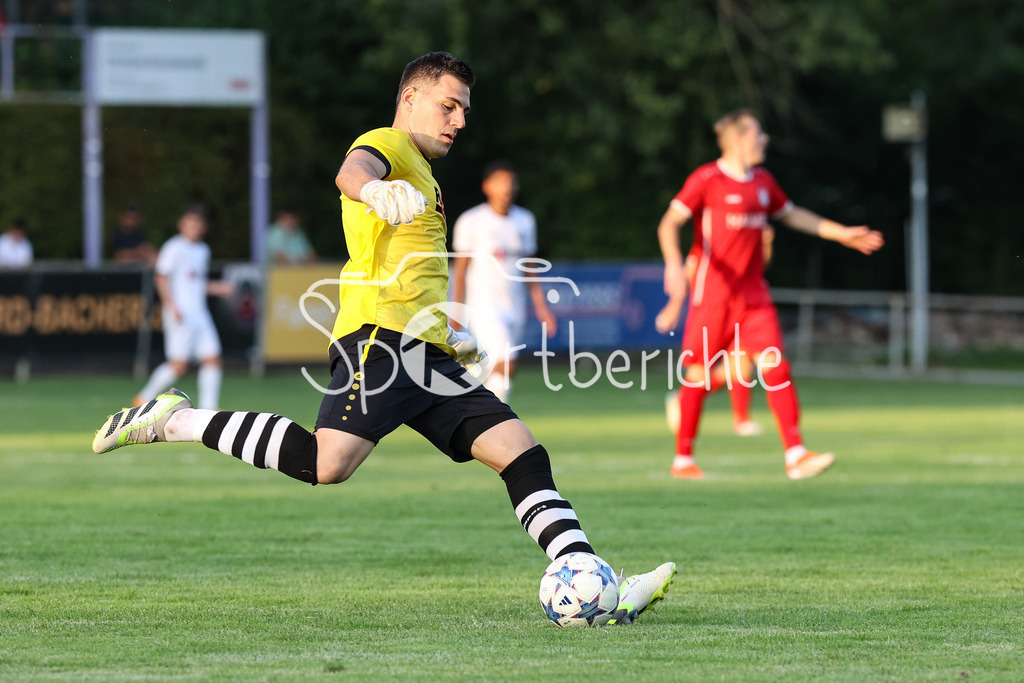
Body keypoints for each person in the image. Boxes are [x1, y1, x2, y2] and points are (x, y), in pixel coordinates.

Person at [93, 52, 675, 625]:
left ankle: (593, 580)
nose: (459, 121)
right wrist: (371, 190)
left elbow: (413, 271)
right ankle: (172, 420)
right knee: (328, 463)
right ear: (410, 98)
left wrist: (447, 327)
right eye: (449, 106)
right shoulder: (388, 145)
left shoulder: (426, 174)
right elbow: (353, 171)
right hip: (381, 341)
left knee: (520, 451)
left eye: (465, 110)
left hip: (426, 349)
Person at [656, 109, 883, 480]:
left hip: (754, 296)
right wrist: (672, 265)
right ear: (739, 139)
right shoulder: (707, 179)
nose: (765, 140)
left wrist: (841, 233)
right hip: (713, 296)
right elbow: (669, 223)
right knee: (697, 377)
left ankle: (796, 454)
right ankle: (683, 459)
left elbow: (792, 215)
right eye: (759, 134)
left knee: (776, 367)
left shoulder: (763, 181)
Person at [450, 161, 557, 402]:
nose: (507, 187)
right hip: (484, 307)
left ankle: (474, 406)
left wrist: (542, 308)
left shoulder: (525, 221)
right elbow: (461, 270)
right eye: (500, 181)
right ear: (487, 186)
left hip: (514, 306)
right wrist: (456, 311)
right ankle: (493, 419)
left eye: (511, 182)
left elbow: (529, 267)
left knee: (503, 370)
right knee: (505, 362)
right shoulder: (472, 221)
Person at [660, 230, 776, 437]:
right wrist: (674, 307)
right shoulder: (707, 246)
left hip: (743, 310)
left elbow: (759, 268)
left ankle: (740, 419)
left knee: (739, 365)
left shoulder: (744, 245)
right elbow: (688, 274)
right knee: (709, 372)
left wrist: (765, 243)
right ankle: (686, 401)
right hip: (712, 313)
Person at [131, 204, 235, 411]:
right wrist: (171, 306)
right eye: (190, 222)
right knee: (179, 365)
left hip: (200, 314)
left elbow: (196, 283)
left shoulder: (203, 249)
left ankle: (209, 408)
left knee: (213, 358)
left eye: (198, 223)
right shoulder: (174, 247)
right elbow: (160, 277)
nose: (194, 227)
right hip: (181, 313)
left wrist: (217, 288)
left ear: (203, 227)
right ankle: (143, 397)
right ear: (182, 224)